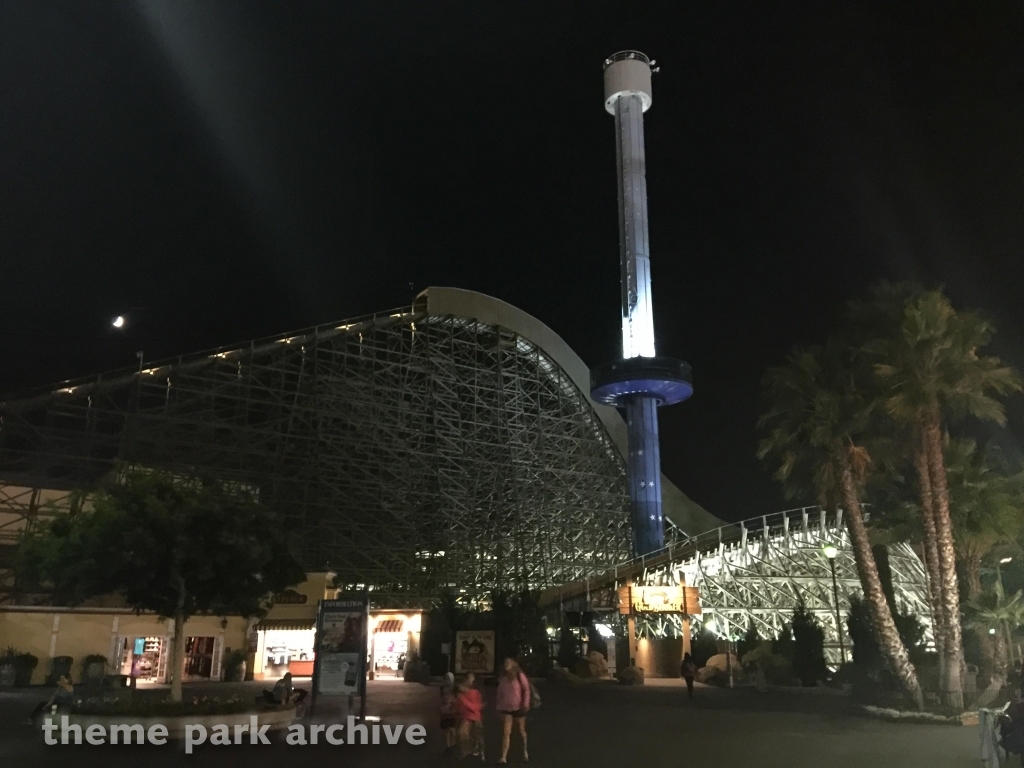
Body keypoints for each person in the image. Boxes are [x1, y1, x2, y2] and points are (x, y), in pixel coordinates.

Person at [496, 656, 530, 764]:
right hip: (506, 708)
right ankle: (503, 757)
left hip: (518, 707)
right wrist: (499, 706)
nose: (505, 664)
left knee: (521, 731)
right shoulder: (503, 678)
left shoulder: (519, 676)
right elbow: (499, 693)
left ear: (513, 664)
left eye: (508, 662)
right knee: (506, 732)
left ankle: (524, 751)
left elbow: (526, 689)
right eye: (505, 662)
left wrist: (525, 703)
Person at [456, 672, 485, 761]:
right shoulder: (461, 692)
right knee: (462, 734)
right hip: (466, 716)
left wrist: (463, 700)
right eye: (468, 678)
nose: (469, 680)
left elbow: (476, 707)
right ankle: (466, 751)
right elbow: (458, 705)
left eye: (471, 678)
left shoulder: (475, 692)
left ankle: (482, 752)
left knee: (478, 736)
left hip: (475, 717)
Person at [439, 671, 458, 751]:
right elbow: (441, 698)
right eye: (446, 678)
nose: (447, 680)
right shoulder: (442, 687)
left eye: (448, 678)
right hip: (445, 710)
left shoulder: (454, 688)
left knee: (452, 728)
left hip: (452, 710)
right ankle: (448, 745)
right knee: (447, 729)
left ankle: (453, 744)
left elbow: (457, 698)